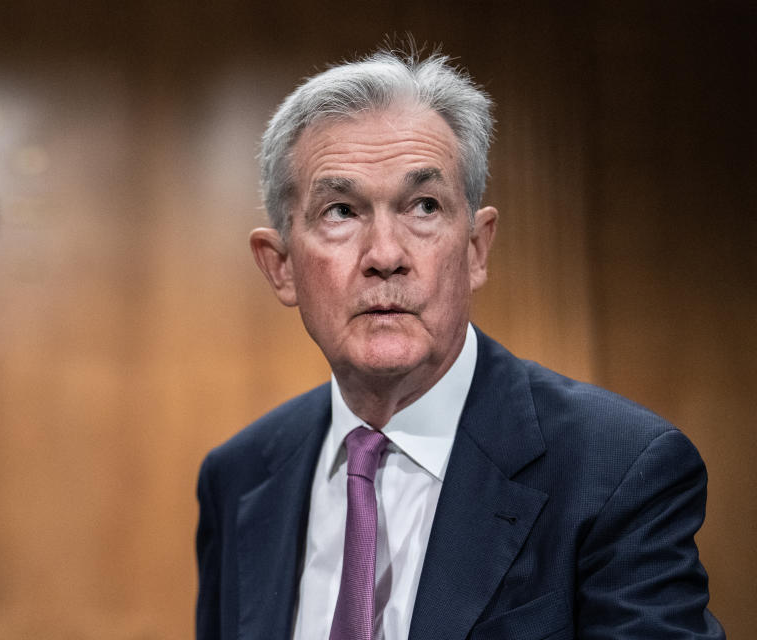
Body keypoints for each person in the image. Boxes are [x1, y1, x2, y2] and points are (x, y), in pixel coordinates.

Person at [195, 48, 724, 640]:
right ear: (281, 267)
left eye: (424, 206)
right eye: (341, 211)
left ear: (476, 248)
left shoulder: (621, 471)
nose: (386, 256)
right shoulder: (237, 477)